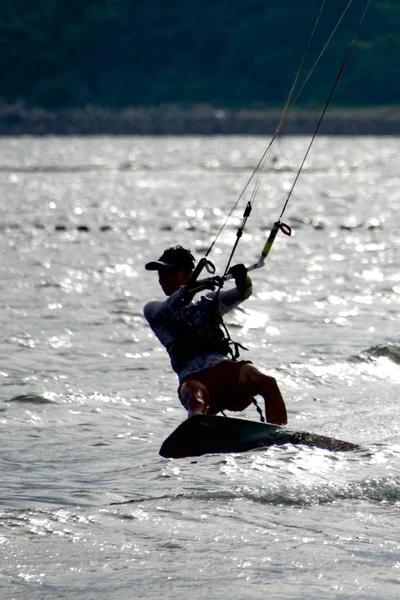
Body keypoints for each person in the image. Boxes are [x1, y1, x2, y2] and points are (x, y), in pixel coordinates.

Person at [143, 245, 287, 425]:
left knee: (267, 383)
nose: (162, 279)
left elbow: (243, 292)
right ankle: (197, 433)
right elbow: (172, 304)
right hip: (194, 379)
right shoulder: (153, 310)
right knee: (196, 398)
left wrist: (242, 278)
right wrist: (192, 288)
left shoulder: (209, 301)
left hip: (224, 371)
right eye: (160, 273)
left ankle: (278, 432)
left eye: (170, 273)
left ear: (187, 274)